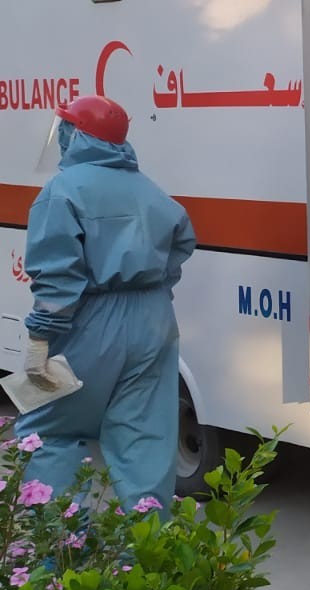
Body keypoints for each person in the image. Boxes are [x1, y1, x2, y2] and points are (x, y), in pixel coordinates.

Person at [17, 95, 196, 517]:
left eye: (66, 126)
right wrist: (149, 293)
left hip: (90, 321)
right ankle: (150, 546)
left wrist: (39, 339)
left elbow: (58, 278)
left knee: (49, 428)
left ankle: (59, 546)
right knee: (144, 440)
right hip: (154, 320)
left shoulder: (61, 191)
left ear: (77, 135)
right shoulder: (150, 190)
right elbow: (181, 245)